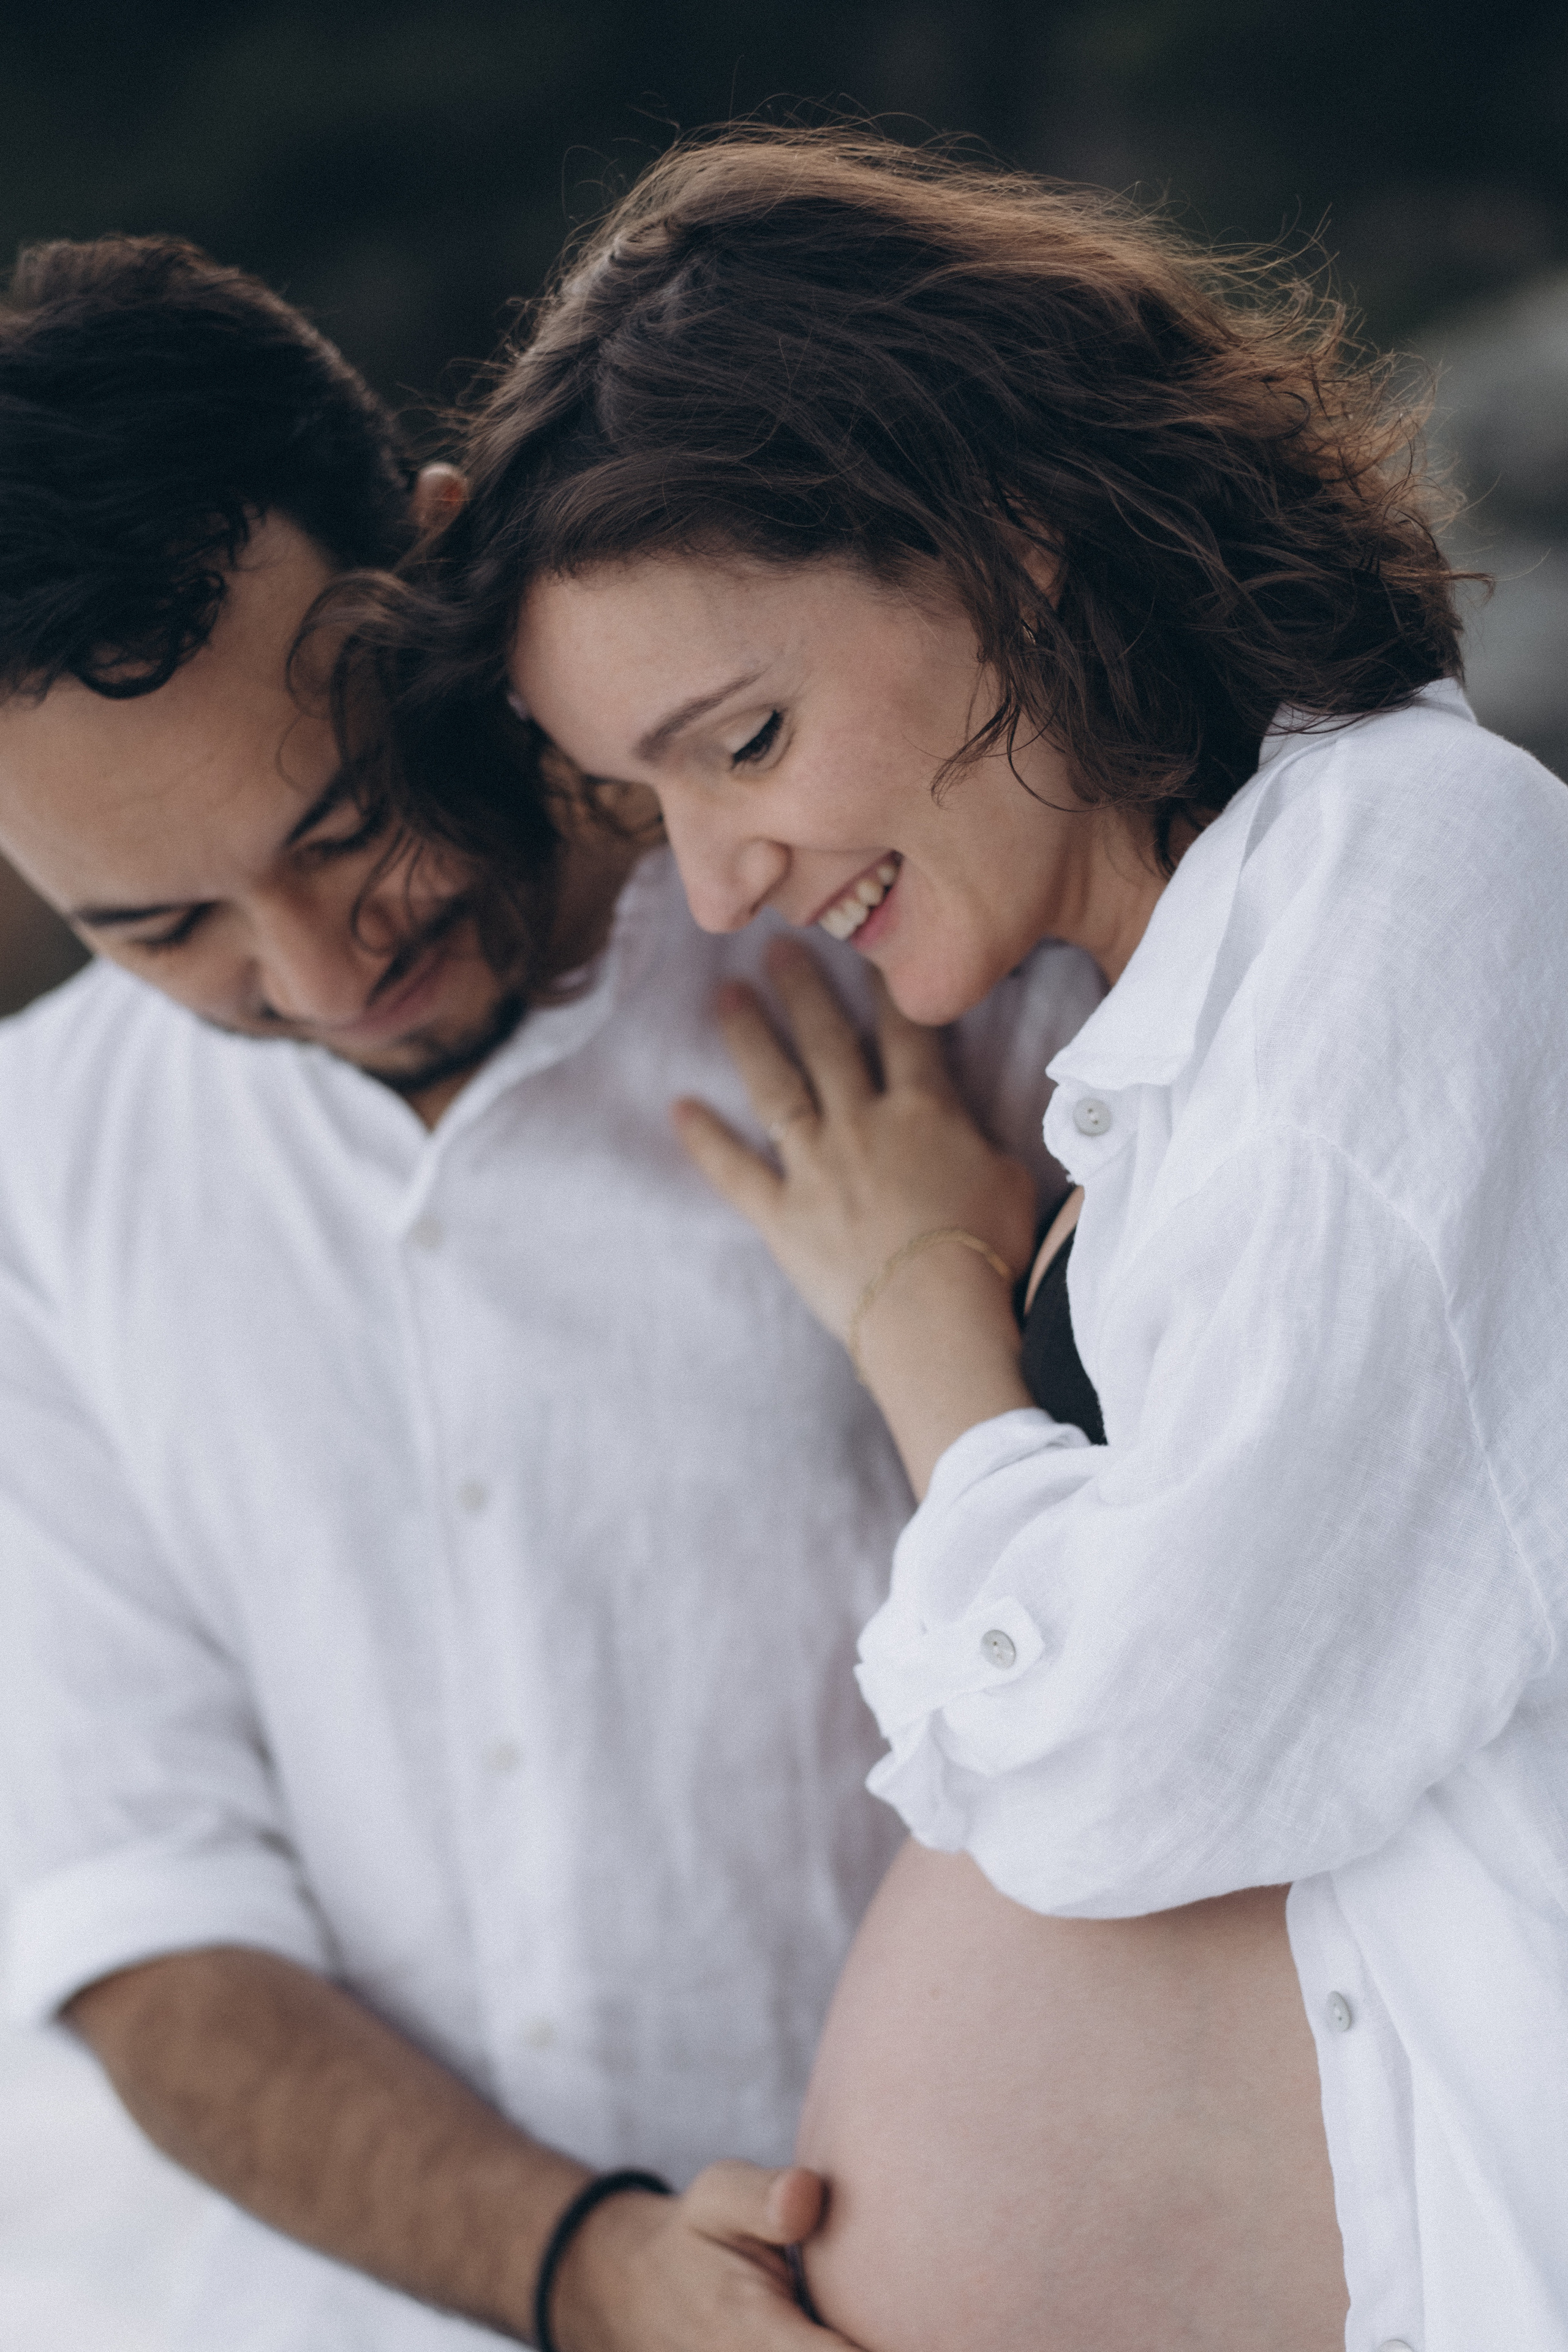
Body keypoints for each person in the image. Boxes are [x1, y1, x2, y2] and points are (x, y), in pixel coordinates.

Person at [383, 129, 1568, 2350]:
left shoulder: (1410, 875)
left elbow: (1156, 1759)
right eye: (652, 810)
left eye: (744, 740)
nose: (721, 877)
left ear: (1013, 547)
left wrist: (932, 1331)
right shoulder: (1193, 989)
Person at [0, 234, 1103, 2350]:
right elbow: (145, 1919)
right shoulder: (46, 1179)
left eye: (343, 824)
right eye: (163, 931)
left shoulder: (909, 926)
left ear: (438, 563)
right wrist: (584, 2274)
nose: (325, 980)